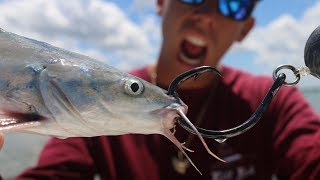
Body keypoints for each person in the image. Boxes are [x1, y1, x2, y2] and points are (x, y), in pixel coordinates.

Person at [7, 0, 320, 179]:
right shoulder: (93, 115)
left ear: (246, 28)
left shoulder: (275, 106)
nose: (206, 15)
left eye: (233, 4)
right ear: (160, 3)